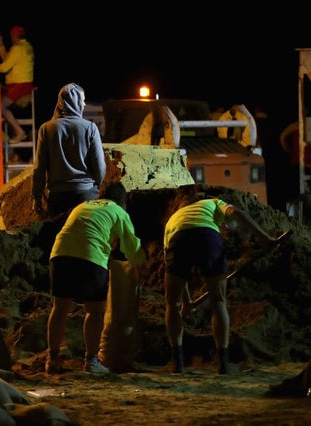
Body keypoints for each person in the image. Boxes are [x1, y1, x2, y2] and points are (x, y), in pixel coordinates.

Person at [163, 191, 276, 375]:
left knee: (171, 304)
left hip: (178, 239)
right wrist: (264, 238)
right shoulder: (212, 202)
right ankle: (224, 362)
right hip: (208, 238)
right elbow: (237, 213)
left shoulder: (173, 220)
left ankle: (177, 362)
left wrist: (185, 302)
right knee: (218, 301)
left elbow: (172, 266)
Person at [45, 181, 146, 374]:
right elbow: (132, 249)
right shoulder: (119, 212)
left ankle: (52, 359)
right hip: (90, 258)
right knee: (94, 311)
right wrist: (141, 265)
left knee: (60, 307)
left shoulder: (83, 205)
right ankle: (91, 361)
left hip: (59, 254)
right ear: (122, 201)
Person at [31, 83, 106, 219]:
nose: (83, 104)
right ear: (76, 102)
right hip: (86, 196)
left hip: (57, 198)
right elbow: (99, 166)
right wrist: (96, 188)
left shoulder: (46, 129)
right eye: (82, 100)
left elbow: (39, 168)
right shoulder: (90, 128)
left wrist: (36, 197)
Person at [0, 25, 34, 144]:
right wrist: (1, 45)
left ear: (14, 36)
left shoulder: (17, 48)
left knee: (0, 106)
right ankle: (5, 131)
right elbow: (8, 59)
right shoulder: (26, 46)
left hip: (20, 84)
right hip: (22, 84)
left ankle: (19, 132)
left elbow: (4, 67)